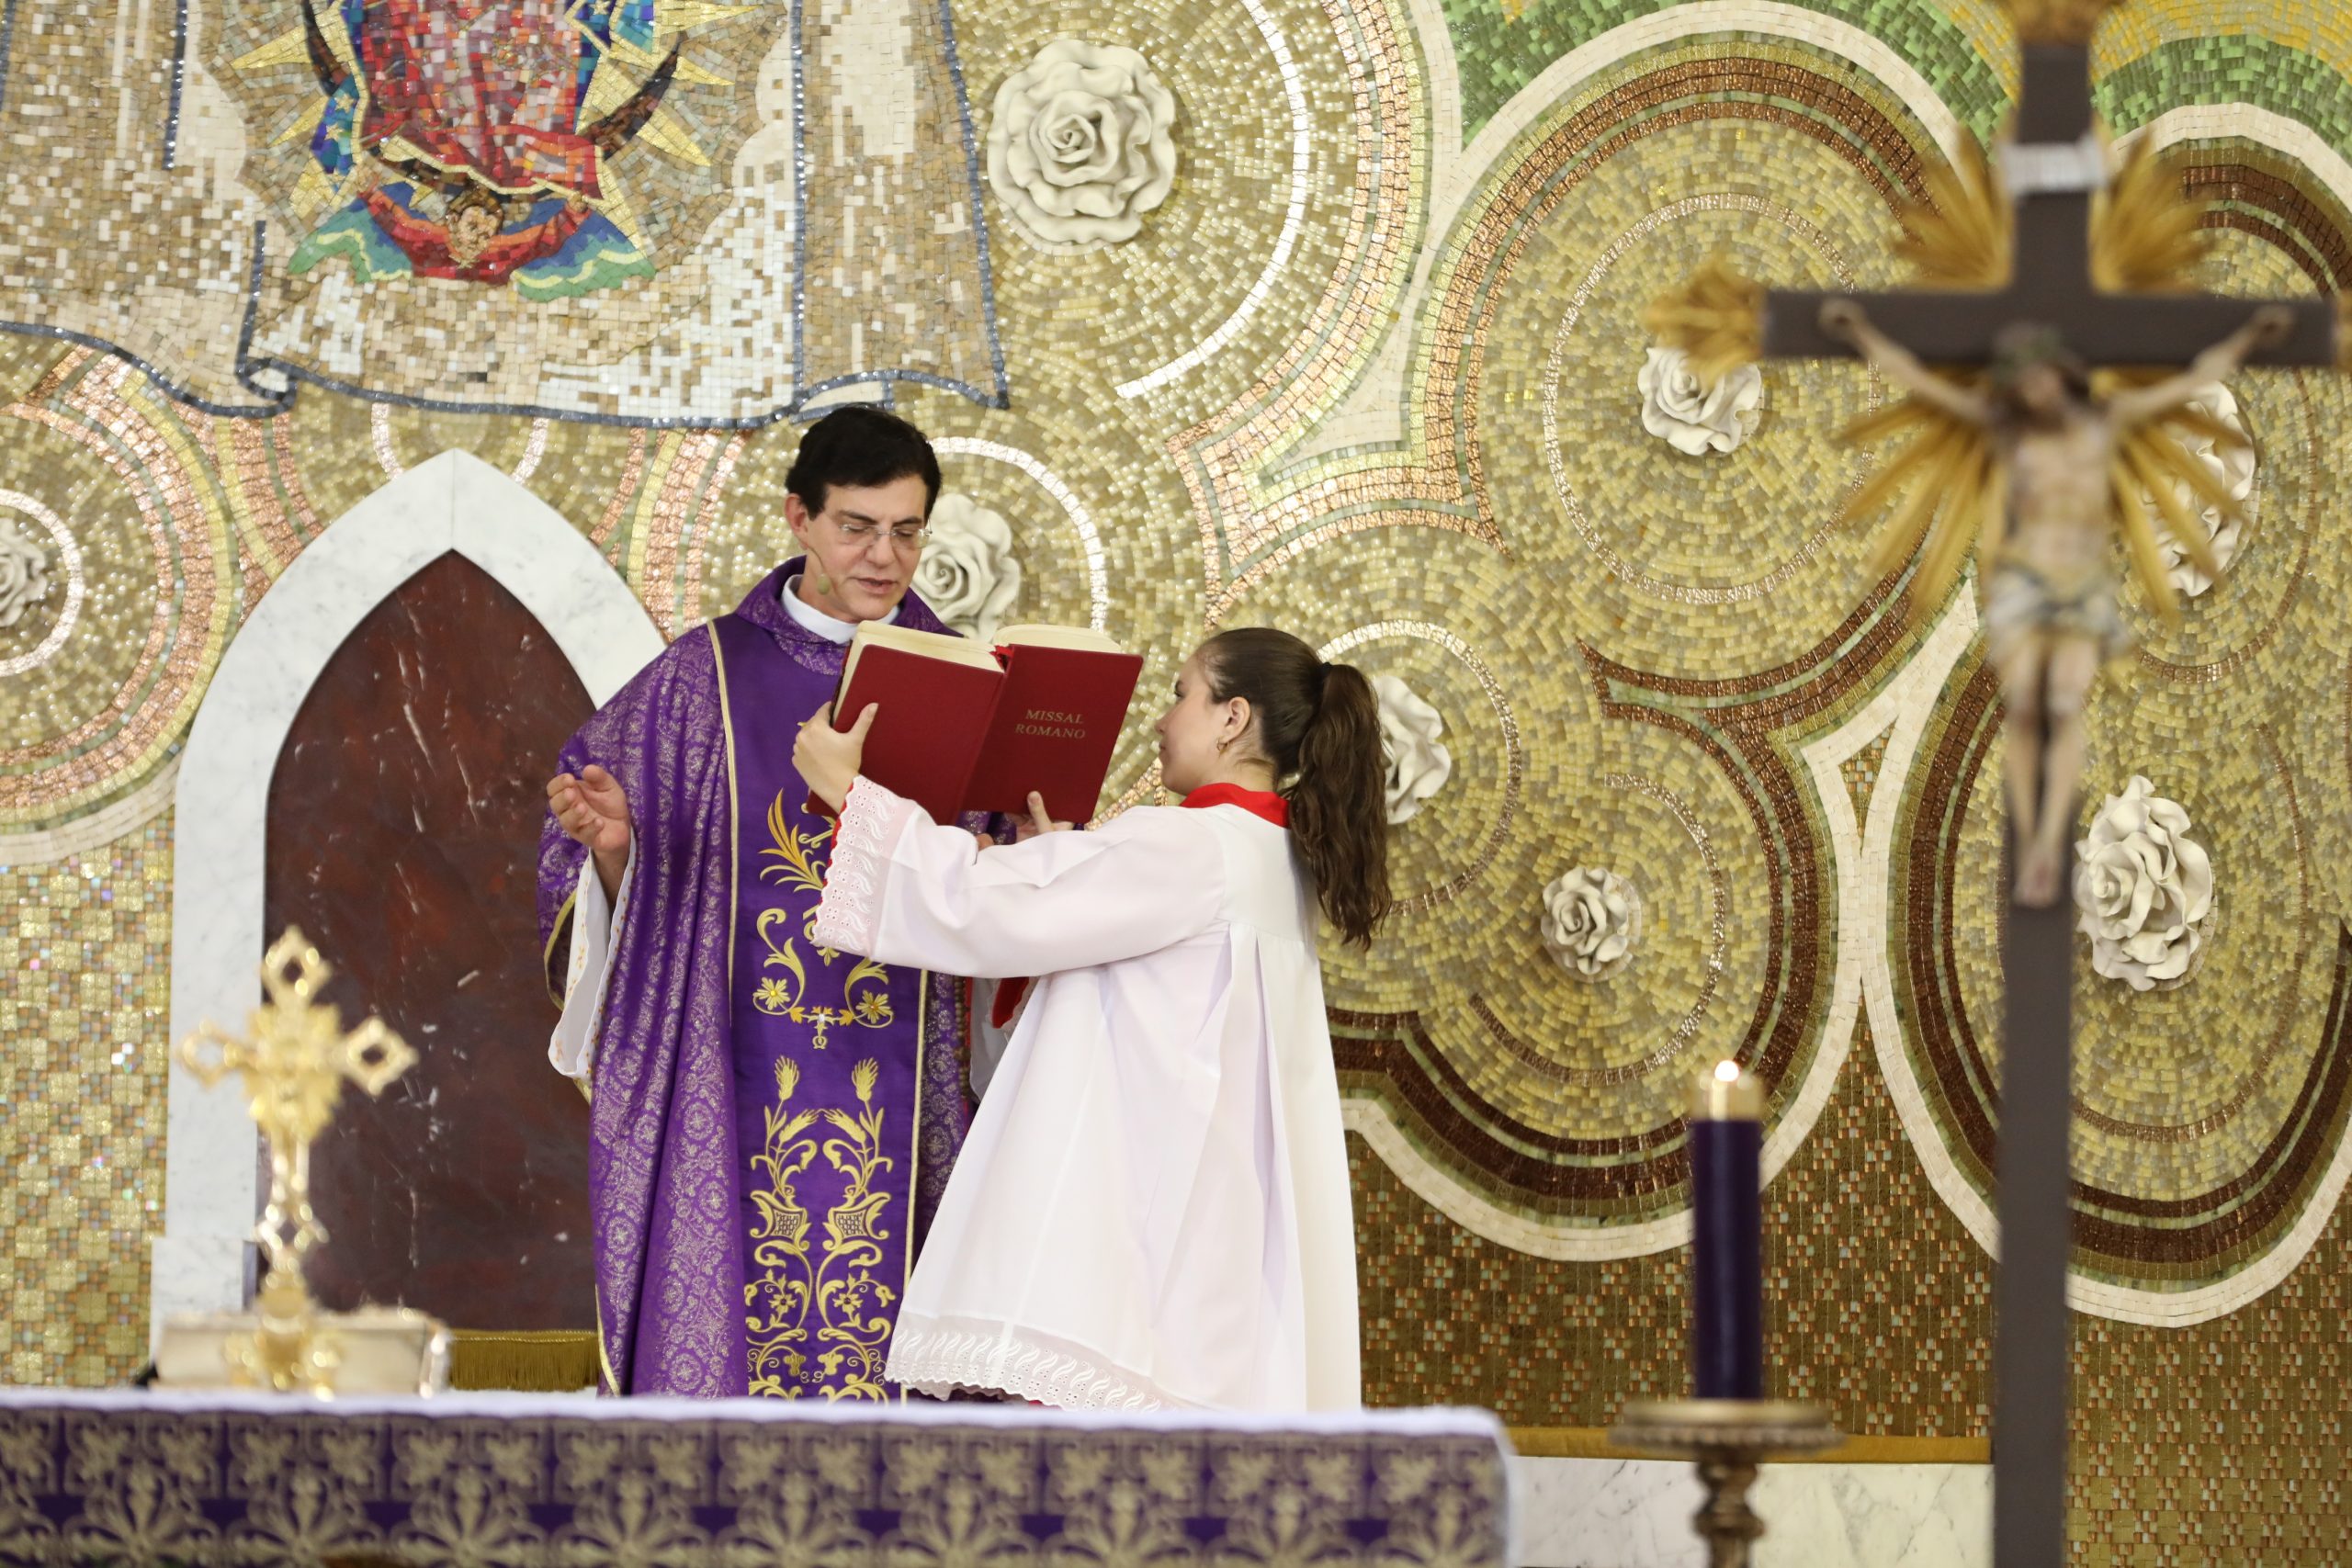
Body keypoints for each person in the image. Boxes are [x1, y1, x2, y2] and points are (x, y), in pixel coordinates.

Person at [793, 626, 1390, 1410]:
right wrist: (1062, 865)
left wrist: (851, 793)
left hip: (1128, 1238)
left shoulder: (1192, 844)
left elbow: (980, 906)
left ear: (1233, 716)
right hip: (1212, 1238)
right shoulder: (1274, 856)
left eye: (1181, 695)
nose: (1162, 720)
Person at [537, 405, 1003, 1399]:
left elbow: (1002, 898)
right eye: (857, 527)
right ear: (799, 517)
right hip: (734, 1079)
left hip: (916, 1086)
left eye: (908, 531)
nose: (884, 557)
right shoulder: (699, 679)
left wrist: (1026, 847)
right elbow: (603, 876)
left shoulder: (969, 681)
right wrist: (617, 854)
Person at [1819, 299, 2289, 906]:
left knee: (2064, 708)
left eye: (2038, 373)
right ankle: (2034, 846)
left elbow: (2187, 380)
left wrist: (2249, 339)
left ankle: (2047, 840)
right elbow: (1924, 384)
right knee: (2024, 710)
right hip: (2026, 581)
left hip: (2079, 584)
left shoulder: (2105, 420)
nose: (2032, 386)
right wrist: (1862, 334)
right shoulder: (2004, 428)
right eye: (2020, 378)